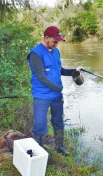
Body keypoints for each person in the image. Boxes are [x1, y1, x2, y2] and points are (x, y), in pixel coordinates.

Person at [27, 25, 82, 156]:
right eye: (55, 41)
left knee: (58, 121)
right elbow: (41, 76)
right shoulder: (35, 53)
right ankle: (38, 150)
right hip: (42, 95)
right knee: (40, 124)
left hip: (57, 95)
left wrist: (74, 71)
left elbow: (60, 70)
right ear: (46, 38)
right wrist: (61, 89)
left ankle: (59, 147)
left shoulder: (56, 51)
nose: (57, 44)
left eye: (58, 42)